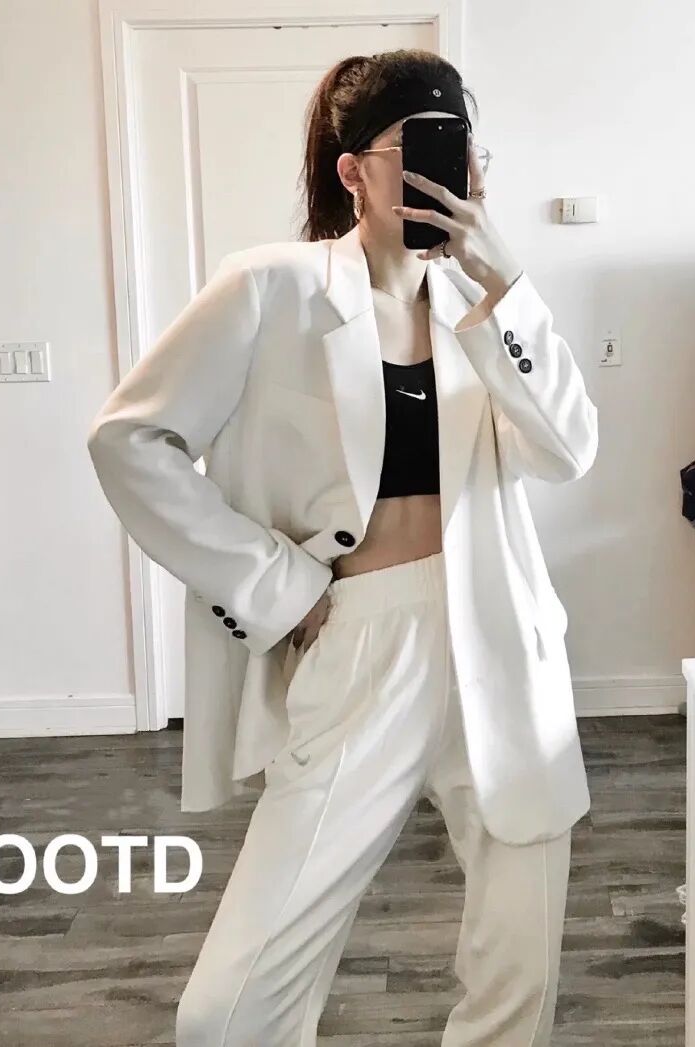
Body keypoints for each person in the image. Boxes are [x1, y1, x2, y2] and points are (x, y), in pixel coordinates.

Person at [87, 48, 598, 1047]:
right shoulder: (272, 287)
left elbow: (568, 449)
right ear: (352, 170)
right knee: (228, 1009)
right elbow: (128, 440)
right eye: (418, 147)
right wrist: (279, 588)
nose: (449, 171)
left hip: (503, 636)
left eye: (461, 148)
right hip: (361, 640)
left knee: (518, 975)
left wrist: (504, 282)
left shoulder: (483, 308)